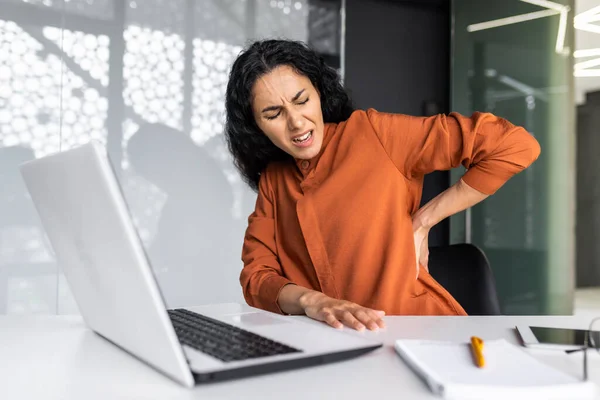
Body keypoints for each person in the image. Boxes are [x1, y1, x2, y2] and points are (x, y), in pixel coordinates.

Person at [224, 39, 541, 331]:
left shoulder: (375, 134)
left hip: (417, 332)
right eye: (273, 114)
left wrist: (424, 220)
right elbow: (256, 278)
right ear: (256, 126)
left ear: (319, 92)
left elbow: (514, 146)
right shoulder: (274, 180)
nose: (296, 122)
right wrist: (311, 301)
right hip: (330, 344)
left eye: (301, 100)